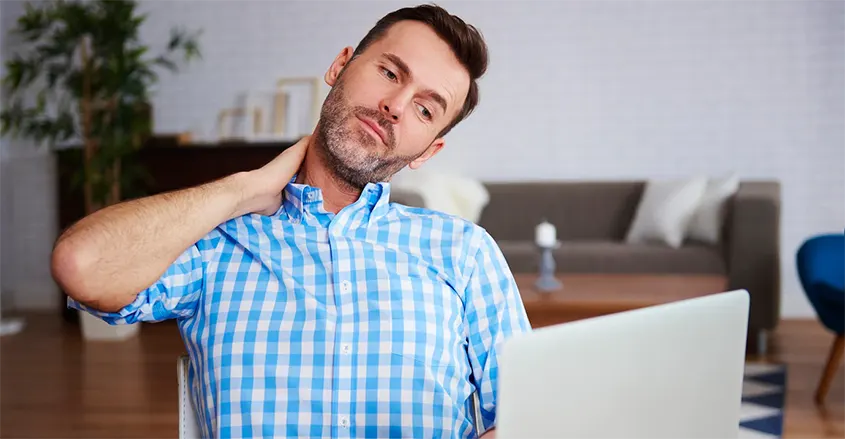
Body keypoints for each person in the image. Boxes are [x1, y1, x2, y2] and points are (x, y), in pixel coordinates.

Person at [51, 4, 531, 438]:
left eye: (425, 109)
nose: (396, 106)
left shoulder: (465, 253)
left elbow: (533, 419)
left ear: (429, 150)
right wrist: (243, 189)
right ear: (339, 66)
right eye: (389, 72)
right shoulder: (218, 242)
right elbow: (80, 263)